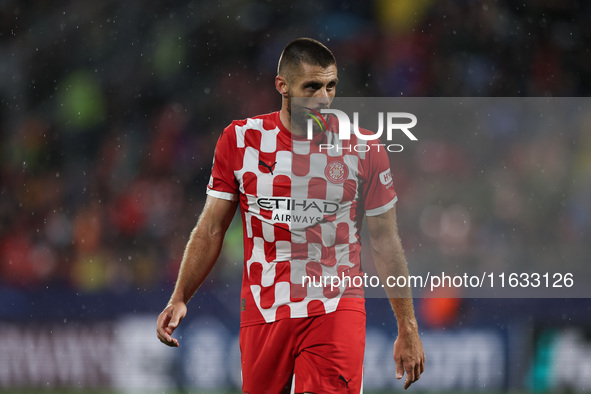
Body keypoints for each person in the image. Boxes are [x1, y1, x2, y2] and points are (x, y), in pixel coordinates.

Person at [157, 37, 425, 393]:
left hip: (335, 305)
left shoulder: (363, 147)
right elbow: (210, 229)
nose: (323, 97)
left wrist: (407, 327)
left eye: (331, 86)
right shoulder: (240, 141)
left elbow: (386, 240)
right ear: (281, 86)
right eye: (311, 87)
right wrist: (180, 297)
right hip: (264, 310)